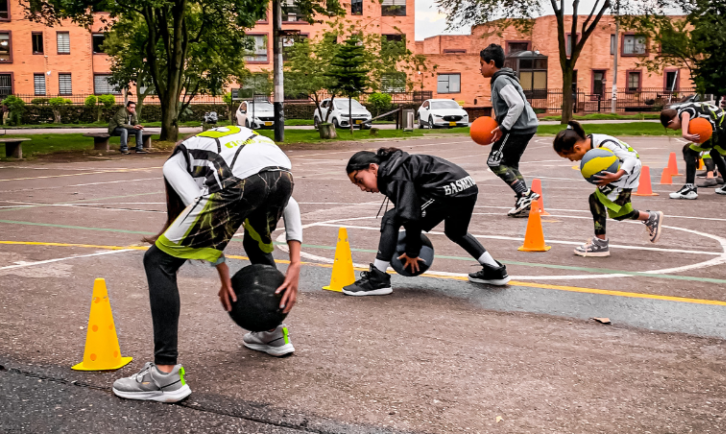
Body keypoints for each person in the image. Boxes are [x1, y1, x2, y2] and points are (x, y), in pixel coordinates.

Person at [112, 125, 303, 403]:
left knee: (158, 261)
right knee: (256, 242)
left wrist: (223, 271)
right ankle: (271, 332)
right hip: (283, 173)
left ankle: (164, 376)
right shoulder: (220, 141)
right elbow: (290, 203)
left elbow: (200, 214)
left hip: (243, 179)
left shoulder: (177, 162)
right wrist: (295, 262)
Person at [343, 147, 510, 295]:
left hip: (446, 191)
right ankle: (494, 270)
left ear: (373, 168)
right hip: (467, 186)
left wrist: (412, 252)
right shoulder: (395, 166)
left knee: (391, 218)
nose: (362, 188)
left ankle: (377, 279)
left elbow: (411, 216)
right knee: (455, 232)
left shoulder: (395, 175)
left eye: (360, 180)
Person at [553, 121, 663, 257]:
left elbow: (631, 159)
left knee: (595, 200)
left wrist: (616, 175)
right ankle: (650, 217)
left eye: (569, 157)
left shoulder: (603, 143)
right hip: (619, 174)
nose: (572, 160)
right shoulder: (590, 143)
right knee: (619, 213)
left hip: (625, 174)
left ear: (577, 148)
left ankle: (600, 244)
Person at [479, 43, 539, 217]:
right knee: (510, 165)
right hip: (527, 125)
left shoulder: (501, 79)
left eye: (482, 64)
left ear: (491, 63)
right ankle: (524, 201)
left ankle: (525, 194)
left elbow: (517, 104)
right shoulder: (505, 77)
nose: (480, 68)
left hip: (517, 127)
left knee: (495, 162)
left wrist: (503, 127)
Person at [660, 102, 726, 200]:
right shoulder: (690, 108)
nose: (675, 130)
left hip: (719, 129)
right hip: (725, 126)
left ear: (670, 121)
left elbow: (686, 114)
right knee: (714, 153)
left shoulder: (682, 111)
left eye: (671, 128)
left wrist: (685, 134)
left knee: (689, 151)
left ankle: (689, 188)